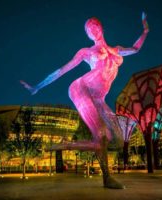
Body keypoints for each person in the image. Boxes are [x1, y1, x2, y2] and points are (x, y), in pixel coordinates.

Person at [21, 12, 149, 144]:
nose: (93, 31)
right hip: (81, 87)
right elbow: (62, 70)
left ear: (101, 28)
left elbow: (135, 49)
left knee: (116, 137)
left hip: (99, 97)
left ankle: (97, 151)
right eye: (89, 30)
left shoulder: (116, 50)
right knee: (100, 136)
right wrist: (37, 86)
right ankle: (90, 142)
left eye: (94, 26)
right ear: (88, 35)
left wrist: (145, 30)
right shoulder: (87, 52)